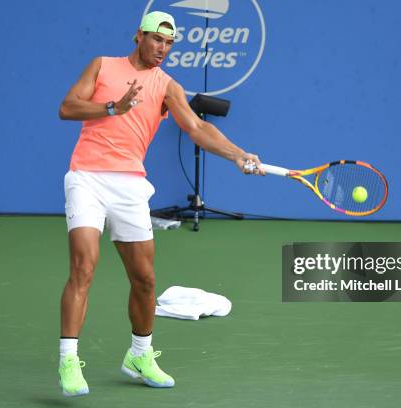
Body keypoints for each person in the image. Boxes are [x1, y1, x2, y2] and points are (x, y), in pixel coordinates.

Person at [56, 10, 262, 397]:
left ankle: (139, 355)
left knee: (146, 280)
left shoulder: (166, 85)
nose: (162, 49)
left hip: (131, 185)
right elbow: (67, 107)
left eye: (169, 43)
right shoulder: (102, 66)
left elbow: (198, 128)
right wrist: (113, 108)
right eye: (157, 40)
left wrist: (236, 153)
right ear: (139, 36)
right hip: (87, 177)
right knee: (83, 267)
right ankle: (68, 359)